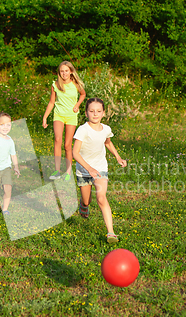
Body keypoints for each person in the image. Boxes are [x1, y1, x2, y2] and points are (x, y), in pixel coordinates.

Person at [72, 98, 127, 243]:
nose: (95, 114)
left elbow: (108, 142)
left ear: (103, 113)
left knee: (101, 197)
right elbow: (75, 153)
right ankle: (83, 205)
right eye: (91, 111)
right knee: (87, 200)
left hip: (100, 168)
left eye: (98, 111)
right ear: (86, 113)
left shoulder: (106, 129)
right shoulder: (83, 130)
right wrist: (88, 168)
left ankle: (111, 233)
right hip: (84, 170)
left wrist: (118, 157)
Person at [43, 61, 86, 181]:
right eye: (62, 71)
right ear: (59, 72)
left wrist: (77, 105)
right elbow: (52, 102)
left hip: (71, 116)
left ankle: (68, 171)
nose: (64, 73)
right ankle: (57, 170)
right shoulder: (55, 85)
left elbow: (83, 94)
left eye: (66, 71)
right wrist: (45, 117)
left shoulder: (76, 84)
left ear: (71, 71)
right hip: (58, 115)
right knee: (57, 140)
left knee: (67, 145)